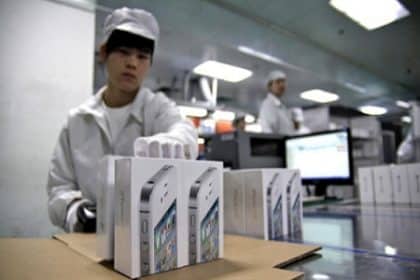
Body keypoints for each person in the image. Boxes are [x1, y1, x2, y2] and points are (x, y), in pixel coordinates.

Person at [47, 7, 198, 232]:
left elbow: (184, 131)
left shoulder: (156, 108)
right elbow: (59, 189)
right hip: (87, 242)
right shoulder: (77, 121)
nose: (132, 63)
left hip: (144, 238)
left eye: (142, 56)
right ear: (103, 53)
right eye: (124, 52)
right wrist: (77, 213)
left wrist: (175, 143)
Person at [258, 70, 294, 135]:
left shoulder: (281, 106)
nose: (282, 85)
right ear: (269, 86)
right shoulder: (268, 104)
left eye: (283, 81)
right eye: (278, 82)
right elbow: (267, 131)